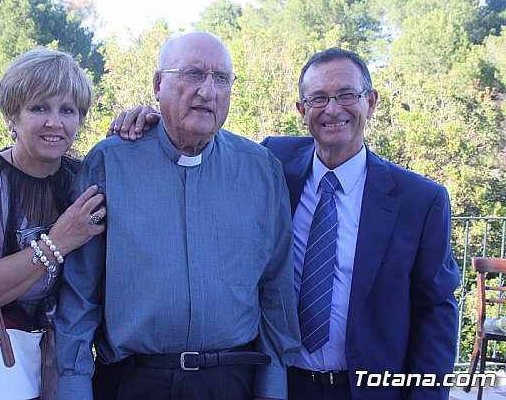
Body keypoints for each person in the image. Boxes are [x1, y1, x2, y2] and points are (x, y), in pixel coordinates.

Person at [110, 47, 460, 400]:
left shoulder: (420, 201)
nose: (333, 109)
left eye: (346, 95)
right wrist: (152, 118)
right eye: (319, 98)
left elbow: (436, 312)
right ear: (301, 110)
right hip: (278, 383)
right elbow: (202, 138)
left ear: (371, 102)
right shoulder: (270, 165)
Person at [55, 32, 300, 400]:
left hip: (231, 382)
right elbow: (80, 295)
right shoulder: (110, 162)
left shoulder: (261, 170)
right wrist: (74, 387)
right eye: (192, 73)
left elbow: (276, 289)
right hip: (132, 383)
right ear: (158, 84)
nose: (207, 91)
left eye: (221, 78)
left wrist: (273, 388)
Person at [0, 46, 107, 399]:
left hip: (58, 365)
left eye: (67, 110)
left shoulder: (82, 179)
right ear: (11, 115)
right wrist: (57, 242)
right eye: (38, 108)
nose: (55, 122)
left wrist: (141, 121)